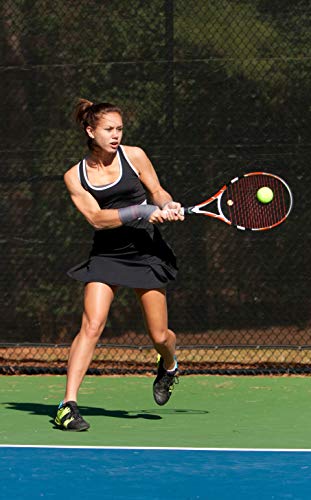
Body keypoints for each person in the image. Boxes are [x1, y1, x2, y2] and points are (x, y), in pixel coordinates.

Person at [55, 99, 184, 431]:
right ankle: (67, 405)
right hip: (108, 252)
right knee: (92, 325)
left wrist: (168, 205)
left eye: (119, 129)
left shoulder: (135, 155)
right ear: (90, 130)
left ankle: (169, 364)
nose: (115, 135)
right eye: (108, 129)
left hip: (145, 249)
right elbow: (97, 219)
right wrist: (141, 211)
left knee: (158, 335)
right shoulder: (75, 176)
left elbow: (156, 191)